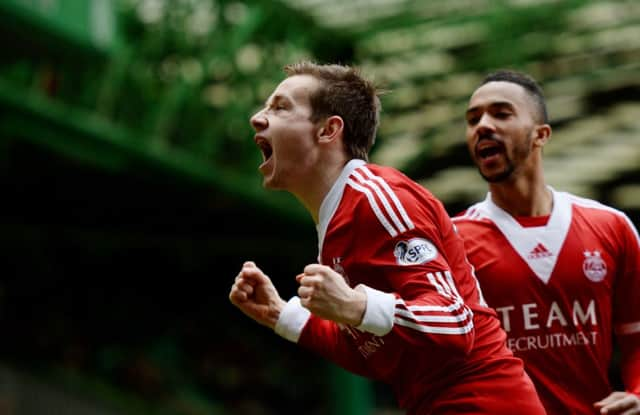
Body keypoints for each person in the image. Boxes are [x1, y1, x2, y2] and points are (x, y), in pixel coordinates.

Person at [229, 61, 545, 414]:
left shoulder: (376, 198)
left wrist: (356, 306)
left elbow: (456, 322)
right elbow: (379, 356)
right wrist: (281, 315)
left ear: (328, 130)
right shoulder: (336, 224)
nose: (257, 117)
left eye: (281, 107)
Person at [453, 69, 640, 414]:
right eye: (472, 119)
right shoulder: (451, 242)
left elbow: (636, 335)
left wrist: (638, 392)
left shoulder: (612, 226)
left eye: (501, 113)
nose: (482, 126)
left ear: (541, 134)